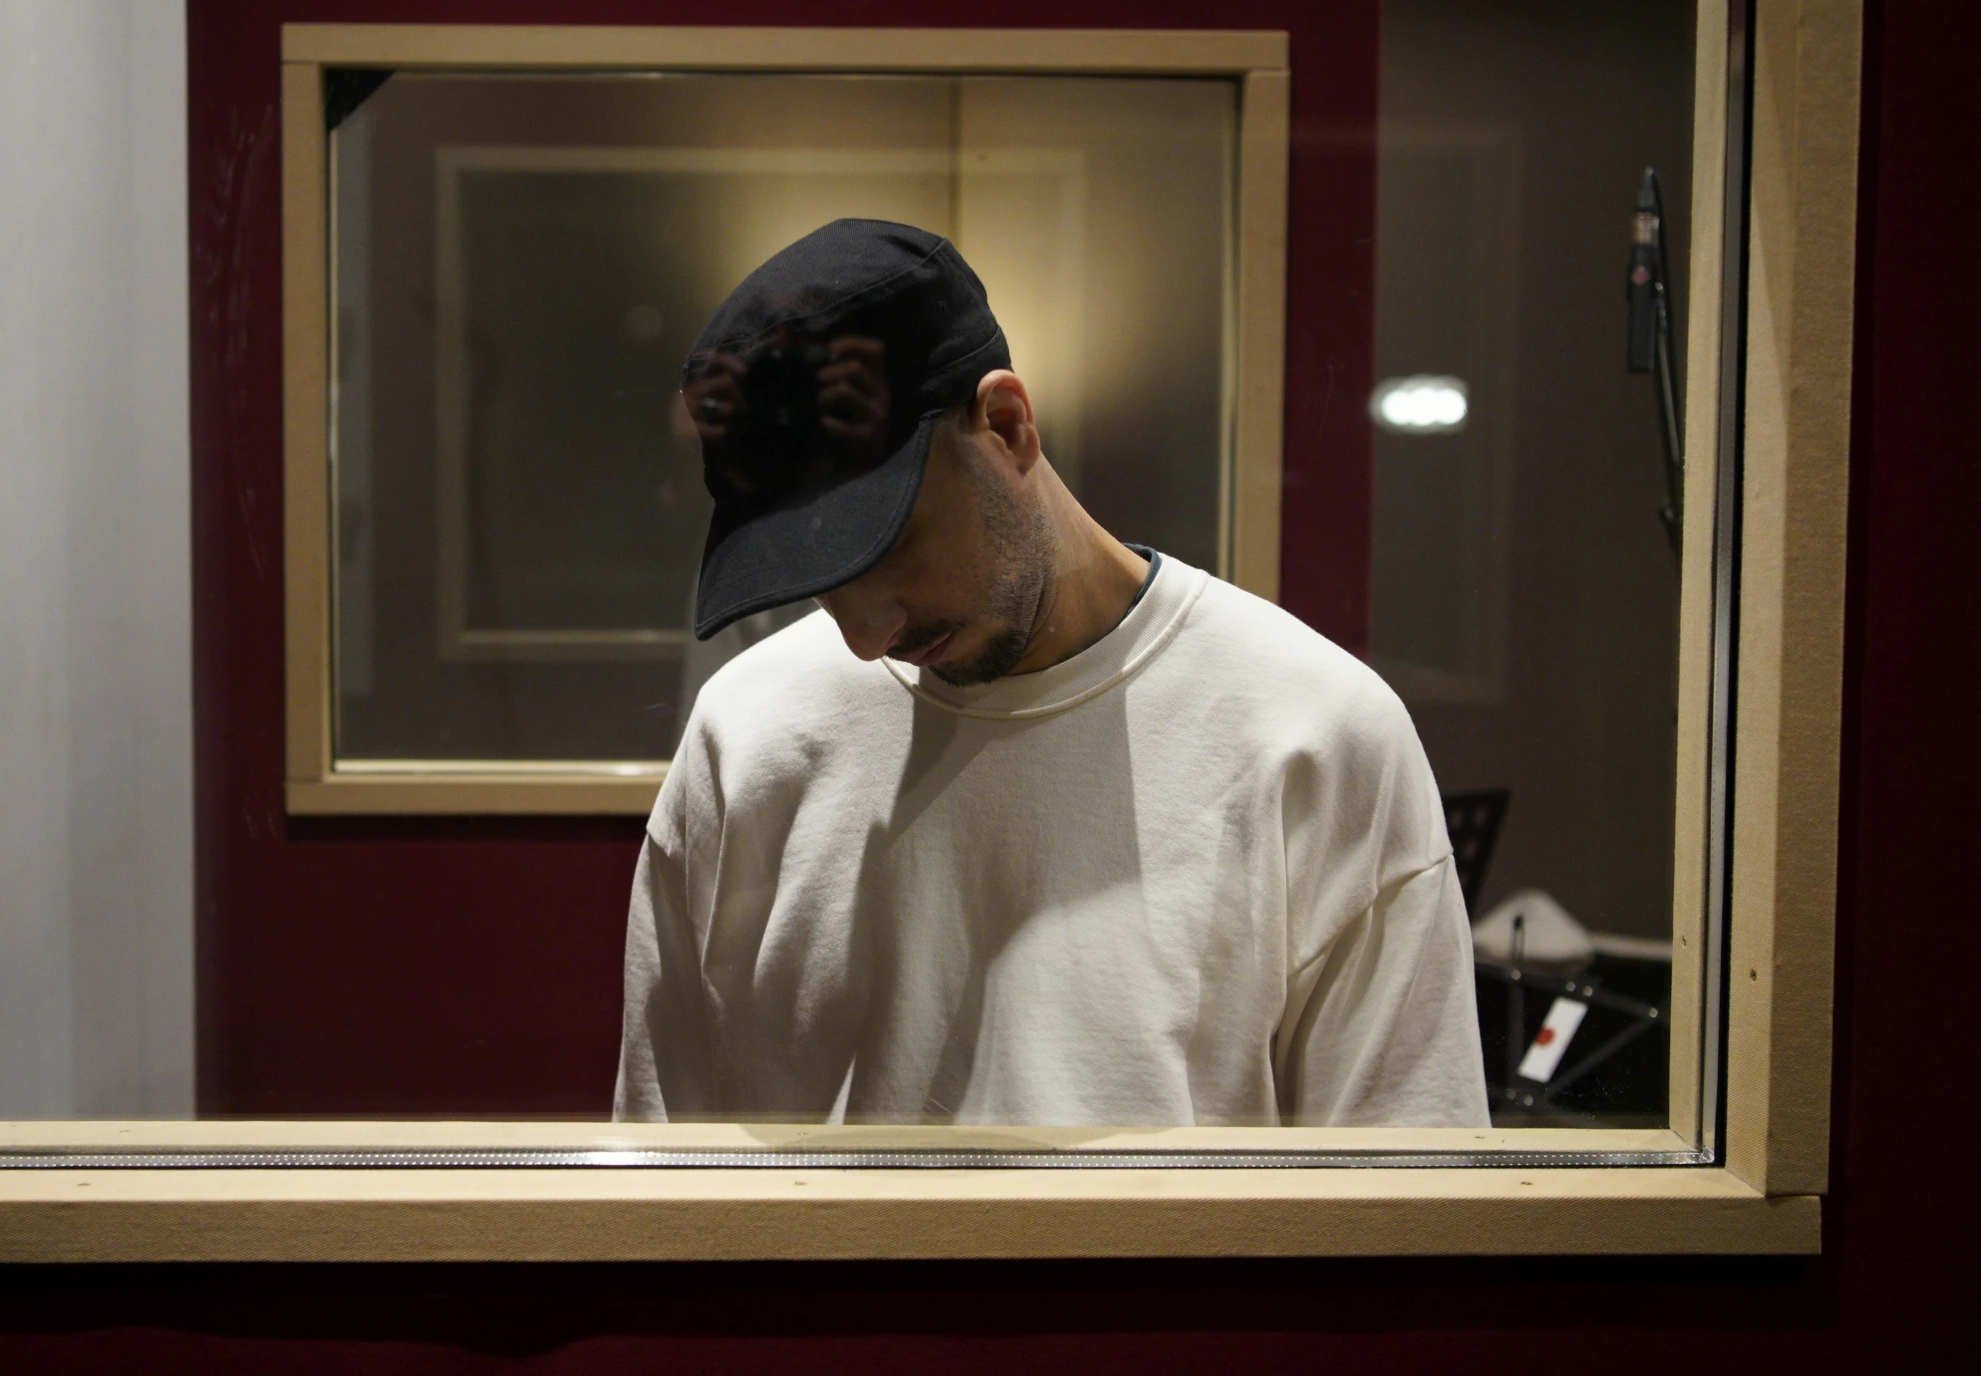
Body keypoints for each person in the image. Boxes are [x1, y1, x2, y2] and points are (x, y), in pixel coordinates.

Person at [615, 219, 1487, 1127]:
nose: (867, 638)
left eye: (889, 546)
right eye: (820, 584)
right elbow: (664, 1183)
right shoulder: (746, 738)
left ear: (1006, 424)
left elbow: (1404, 1200)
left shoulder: (1313, 735)